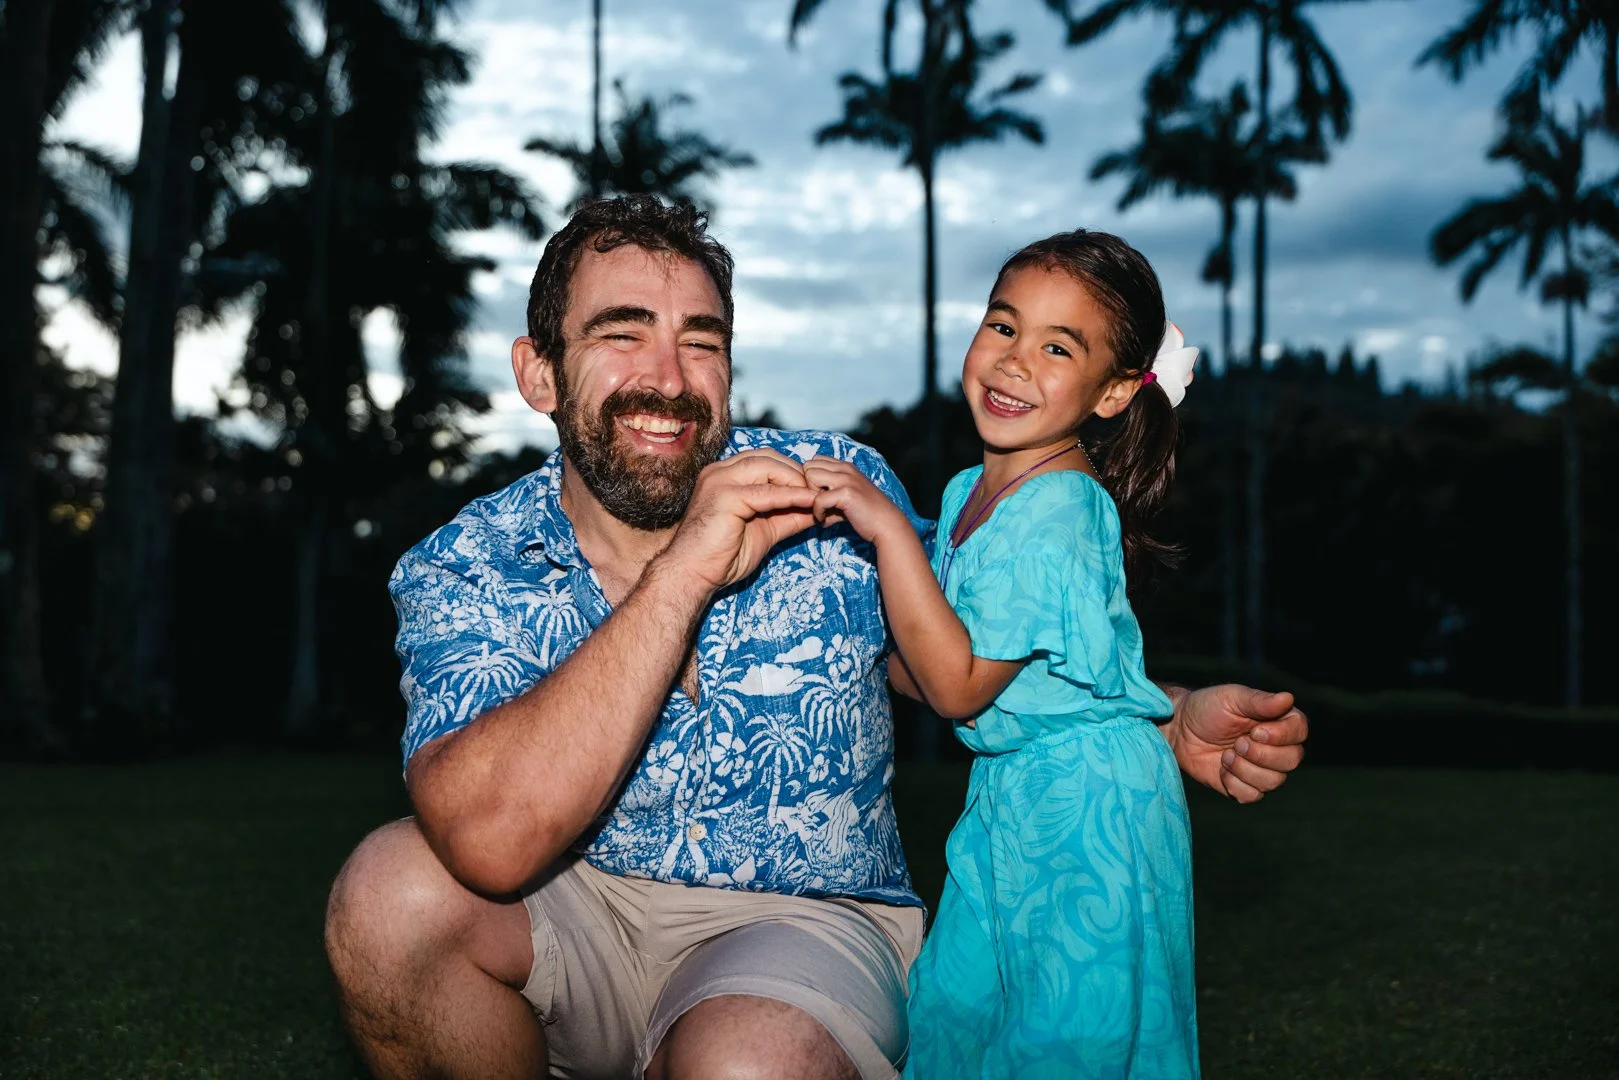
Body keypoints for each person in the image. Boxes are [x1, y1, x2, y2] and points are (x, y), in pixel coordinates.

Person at [322, 195, 1308, 1080]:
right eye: (622, 335)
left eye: (701, 341)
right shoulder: (466, 563)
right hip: (569, 911)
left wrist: (1163, 718)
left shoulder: (833, 484)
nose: (668, 378)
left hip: (796, 925)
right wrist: (685, 573)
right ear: (539, 374)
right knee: (387, 897)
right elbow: (488, 848)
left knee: (746, 1065)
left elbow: (965, 648)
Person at [806, 229, 1208, 1077]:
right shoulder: (966, 492)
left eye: (1057, 347)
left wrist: (885, 531)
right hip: (1008, 798)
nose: (1015, 361)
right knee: (957, 1011)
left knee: (1065, 1040)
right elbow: (927, 667)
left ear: (1110, 394)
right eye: (1003, 326)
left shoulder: (1060, 507)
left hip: (1090, 804)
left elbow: (954, 687)